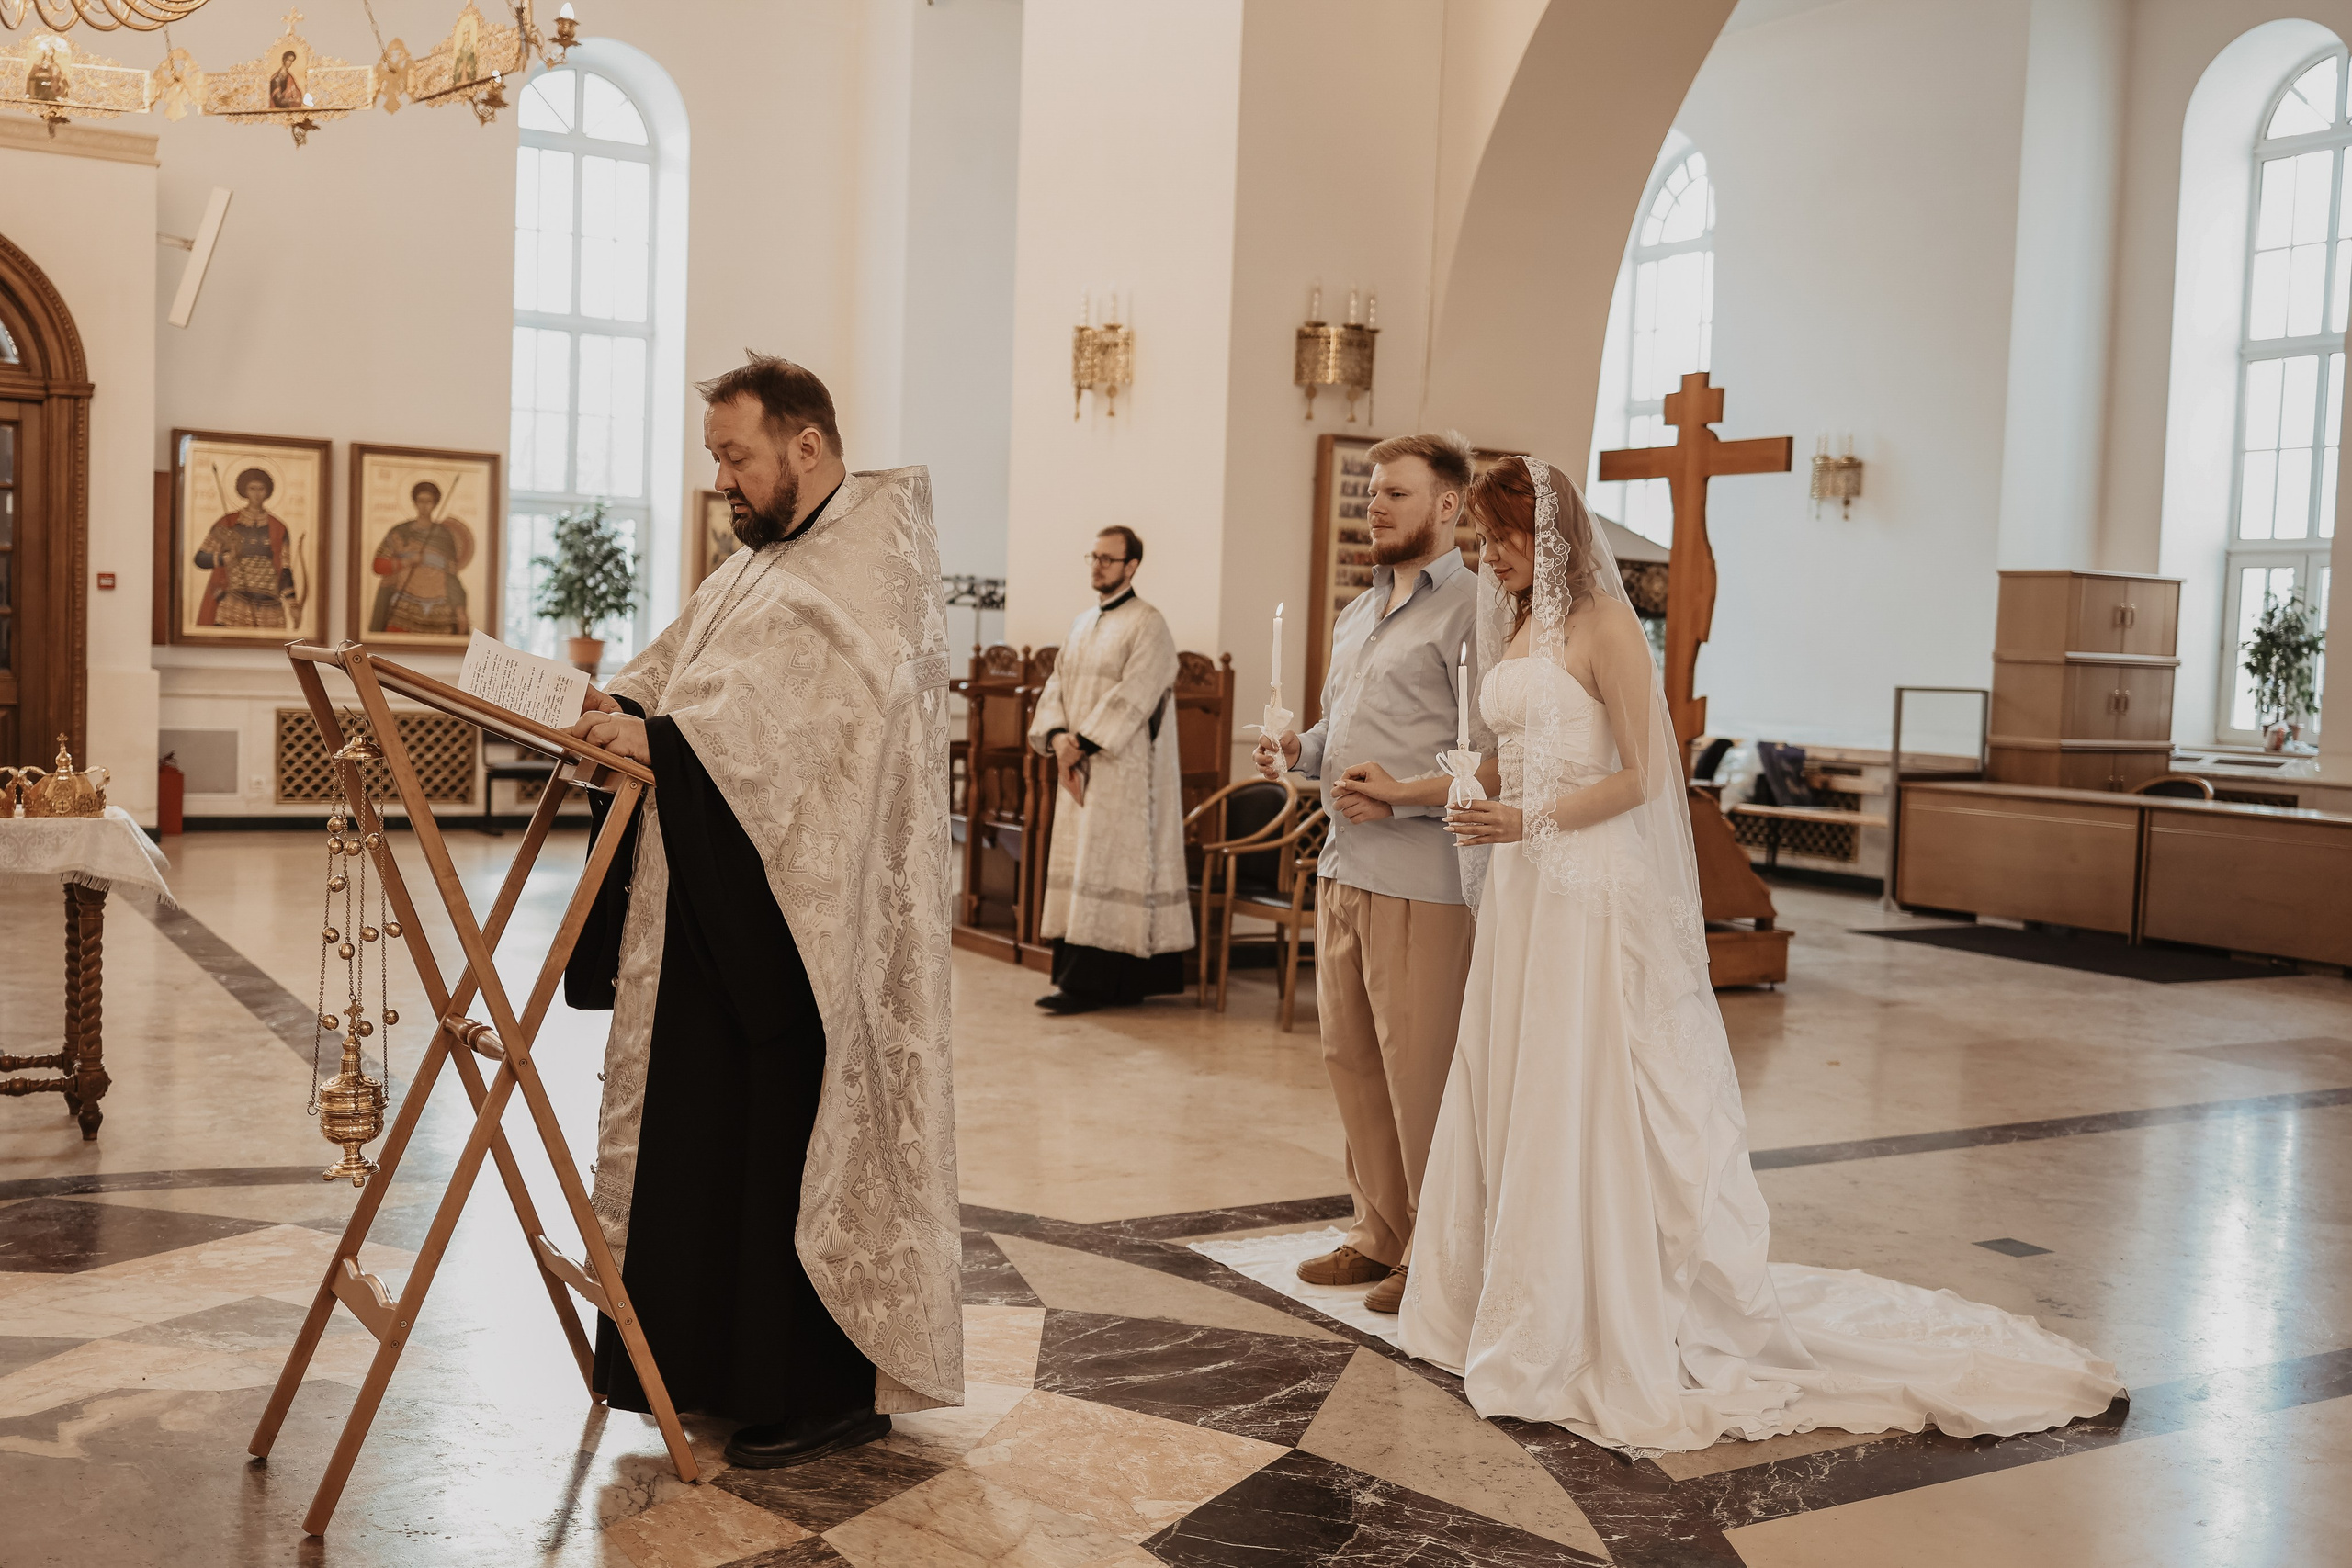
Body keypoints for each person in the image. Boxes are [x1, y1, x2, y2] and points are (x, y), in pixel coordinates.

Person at [1354, 457, 2120, 1452]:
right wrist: (1418, 793)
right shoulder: (1512, 623)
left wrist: (1528, 820)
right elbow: (1501, 759)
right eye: (1485, 543)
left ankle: (1595, 1307)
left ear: (1541, 534)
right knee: (1511, 1075)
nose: (1487, 555)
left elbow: (1642, 776)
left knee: (1582, 1085)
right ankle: (1506, 1298)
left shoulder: (1601, 630)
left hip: (1588, 886)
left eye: (1499, 540)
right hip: (1525, 888)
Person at [563, 353, 964, 1470]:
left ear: (807, 445)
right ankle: (709, 1368)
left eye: (736, 459)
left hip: (801, 933)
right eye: (714, 463)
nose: (724, 483)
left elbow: (829, 734)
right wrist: (623, 708)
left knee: (780, 1141)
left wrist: (669, 746)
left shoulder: (865, 568)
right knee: (709, 1140)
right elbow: (684, 672)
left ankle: (822, 1388)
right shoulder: (766, 559)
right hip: (717, 896)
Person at [1253, 432, 1487, 1316]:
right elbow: (1334, 736)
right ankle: (1377, 1228)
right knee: (1349, 1057)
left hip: (1422, 877)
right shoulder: (1359, 615)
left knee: (1416, 1065)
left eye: (1397, 493)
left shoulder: (1473, 613)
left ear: (1449, 506)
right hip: (1343, 864)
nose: (1376, 506)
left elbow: (1490, 754)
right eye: (1374, 493)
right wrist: (1294, 749)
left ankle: (1435, 1241)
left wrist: (1405, 800)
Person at [1026, 527, 1194, 1013]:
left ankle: (1099, 984)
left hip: (1121, 768)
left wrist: (1082, 744)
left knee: (1109, 864)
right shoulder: (1081, 624)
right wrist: (1058, 739)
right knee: (1079, 863)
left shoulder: (1149, 624)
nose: (1097, 566)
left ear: (1132, 566)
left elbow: (1138, 691)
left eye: (1108, 558)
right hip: (1076, 765)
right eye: (1093, 557)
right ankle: (1077, 979)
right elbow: (1056, 685)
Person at [193, 468, 299, 629]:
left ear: (267, 492)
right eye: (252, 489)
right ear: (244, 491)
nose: (257, 494)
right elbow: (200, 558)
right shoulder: (228, 522)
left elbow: (284, 568)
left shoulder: (279, 527)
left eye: (261, 489)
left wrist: (292, 603)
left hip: (270, 605)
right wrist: (225, 558)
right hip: (233, 601)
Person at [368, 480, 473, 637]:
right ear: (415, 502)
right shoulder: (400, 532)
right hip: (405, 604)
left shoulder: (444, 535)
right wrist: (407, 561)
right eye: (421, 501)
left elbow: (451, 574)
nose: (424, 506)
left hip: (439, 606)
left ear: (435, 504)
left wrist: (459, 609)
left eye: (429, 501)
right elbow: (379, 565)